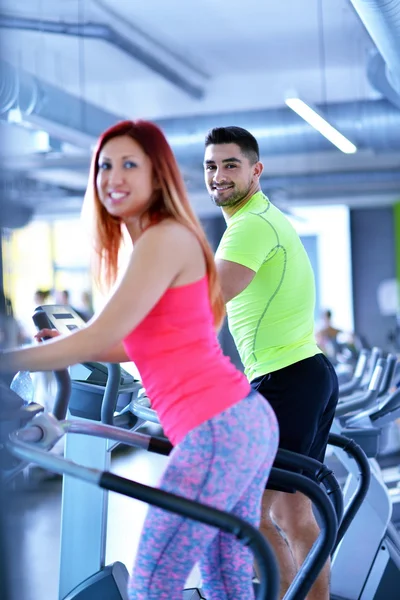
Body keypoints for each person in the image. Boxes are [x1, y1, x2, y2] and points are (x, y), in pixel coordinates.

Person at [0, 120, 279, 600]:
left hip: (216, 430)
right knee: (226, 581)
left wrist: (12, 360)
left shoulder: (161, 239)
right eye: (105, 165)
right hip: (239, 423)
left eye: (130, 164)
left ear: (157, 175)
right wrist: (60, 347)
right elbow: (135, 342)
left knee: (154, 582)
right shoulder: (159, 239)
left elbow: (102, 335)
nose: (114, 176)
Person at [203, 126, 339, 600]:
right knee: (291, 514)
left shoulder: (251, 226)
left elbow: (206, 301)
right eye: (211, 166)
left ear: (256, 170)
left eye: (230, 165)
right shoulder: (259, 220)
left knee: (247, 508)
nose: (218, 176)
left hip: (286, 379)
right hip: (303, 374)